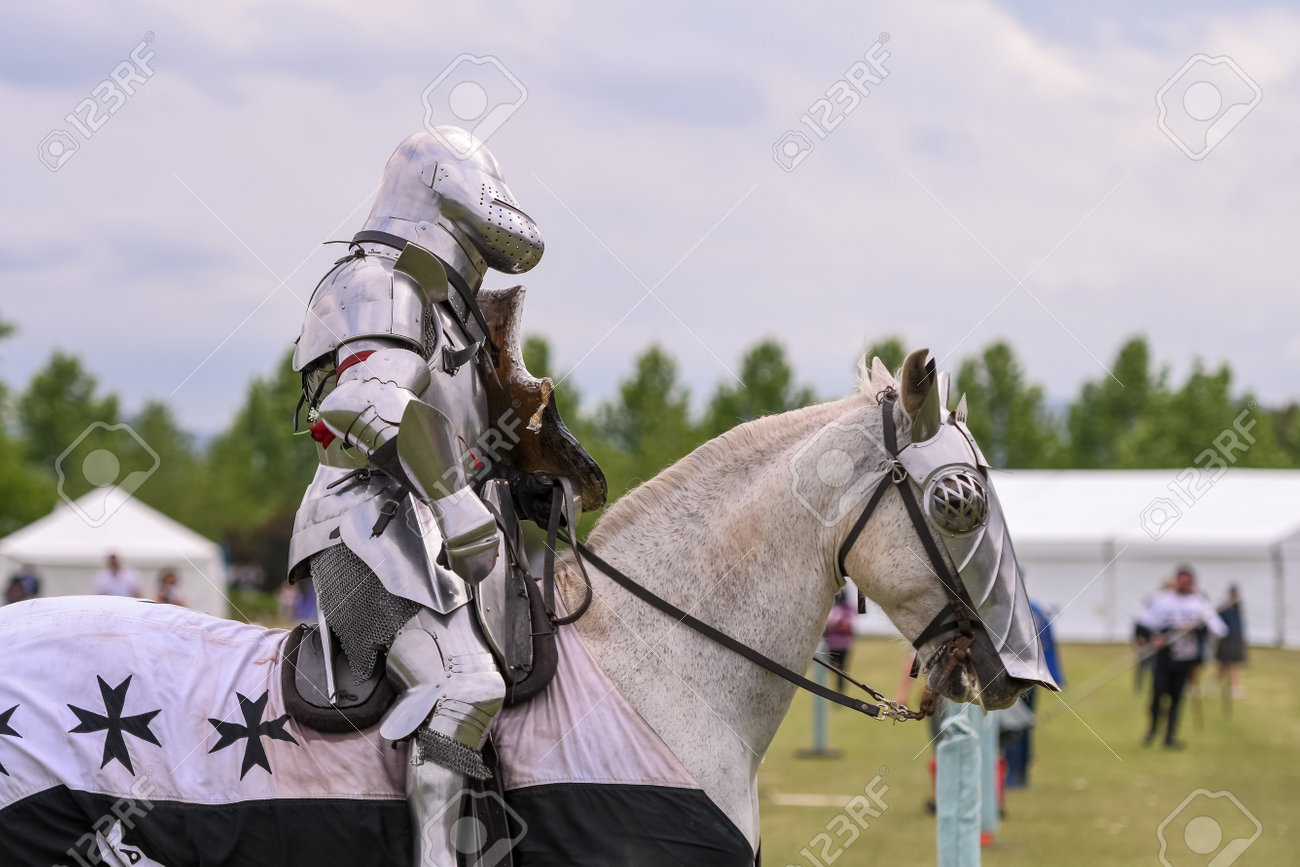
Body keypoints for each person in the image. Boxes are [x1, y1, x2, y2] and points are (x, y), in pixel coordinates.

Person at [287, 127, 599, 867]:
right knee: (465, 683)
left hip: (434, 545)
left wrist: (527, 487)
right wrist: (459, 503)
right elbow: (361, 407)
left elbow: (460, 436)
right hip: (361, 526)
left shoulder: (454, 318)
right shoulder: (377, 282)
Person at [1135, 565, 1226, 749]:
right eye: (1181, 581)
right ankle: (1152, 731)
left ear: (1193, 582)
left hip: (1186, 659)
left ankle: (1170, 737)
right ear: (1176, 581)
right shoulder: (1162, 601)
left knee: (1177, 699)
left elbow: (1218, 630)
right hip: (1164, 657)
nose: (1184, 585)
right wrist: (1154, 637)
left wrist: (1198, 630)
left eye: (1188, 581)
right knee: (1157, 695)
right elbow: (1143, 624)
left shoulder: (1200, 603)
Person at [1215, 585, 1247, 700]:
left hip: (1235, 638)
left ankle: (1234, 687)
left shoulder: (1237, 606)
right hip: (1226, 639)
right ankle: (1217, 684)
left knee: (1233, 664)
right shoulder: (1224, 608)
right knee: (1223, 664)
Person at [822, 590, 856, 691]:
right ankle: (827, 690)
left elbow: (848, 625)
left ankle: (840, 690)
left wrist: (836, 623)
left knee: (842, 670)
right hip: (830, 644)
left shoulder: (847, 608)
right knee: (827, 669)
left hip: (843, 644)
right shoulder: (830, 606)